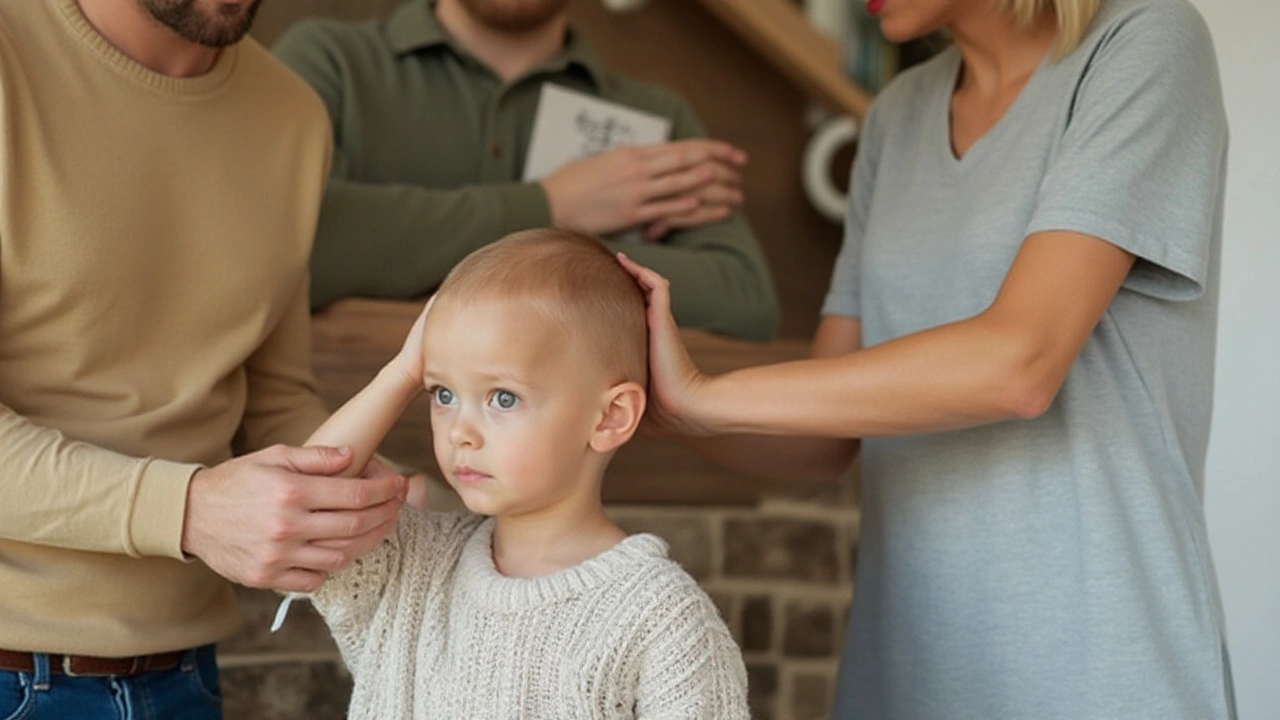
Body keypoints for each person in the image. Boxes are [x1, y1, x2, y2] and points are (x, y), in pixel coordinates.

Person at [619, 0, 1236, 717]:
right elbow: (821, 437)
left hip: (1099, 669)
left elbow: (1019, 363)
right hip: (906, 674)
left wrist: (704, 394)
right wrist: (640, 395)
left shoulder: (1144, 41)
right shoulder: (896, 116)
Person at [0, 0, 410, 716]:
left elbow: (273, 399)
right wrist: (189, 510)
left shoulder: (292, 117)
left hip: (184, 677)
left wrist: (365, 497)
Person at [288, 229, 750, 718]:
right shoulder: (414, 565)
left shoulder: (658, 618)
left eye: (502, 398)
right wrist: (403, 370)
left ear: (610, 417)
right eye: (441, 394)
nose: (459, 432)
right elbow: (302, 504)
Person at [271, 0, 779, 341]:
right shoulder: (329, 60)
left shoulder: (657, 114)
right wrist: (552, 207)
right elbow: (289, 252)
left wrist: (406, 260)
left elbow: (741, 300)